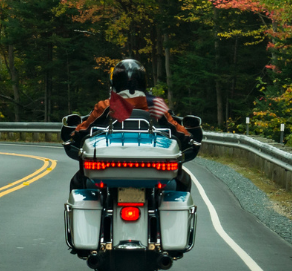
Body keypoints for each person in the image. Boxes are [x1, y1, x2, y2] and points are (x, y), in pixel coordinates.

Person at [61, 59, 201, 191]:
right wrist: (190, 139)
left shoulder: (107, 106)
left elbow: (83, 131)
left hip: (109, 165)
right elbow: (178, 131)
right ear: (143, 82)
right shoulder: (155, 104)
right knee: (182, 181)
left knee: (79, 181)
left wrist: (73, 135)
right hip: (152, 165)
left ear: (115, 82)